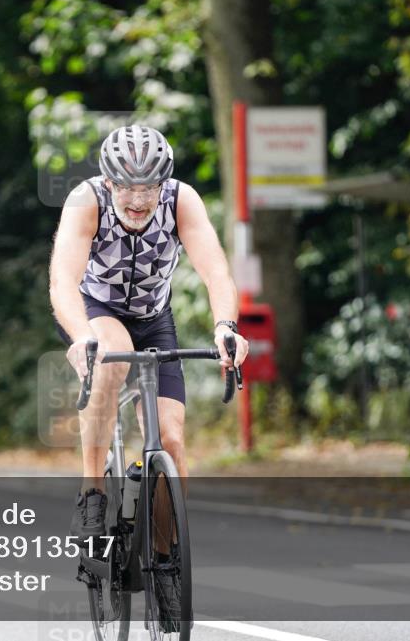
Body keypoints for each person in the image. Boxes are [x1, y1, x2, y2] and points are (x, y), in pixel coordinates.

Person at [49, 124, 249, 539]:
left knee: (172, 440)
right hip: (97, 309)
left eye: (149, 187)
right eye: (126, 187)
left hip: (155, 318)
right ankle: (92, 491)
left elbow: (216, 272)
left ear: (163, 182)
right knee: (112, 355)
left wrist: (226, 327)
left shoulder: (181, 200)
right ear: (108, 181)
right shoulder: (86, 200)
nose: (138, 200)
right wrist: (81, 336)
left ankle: (166, 558)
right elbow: (62, 281)